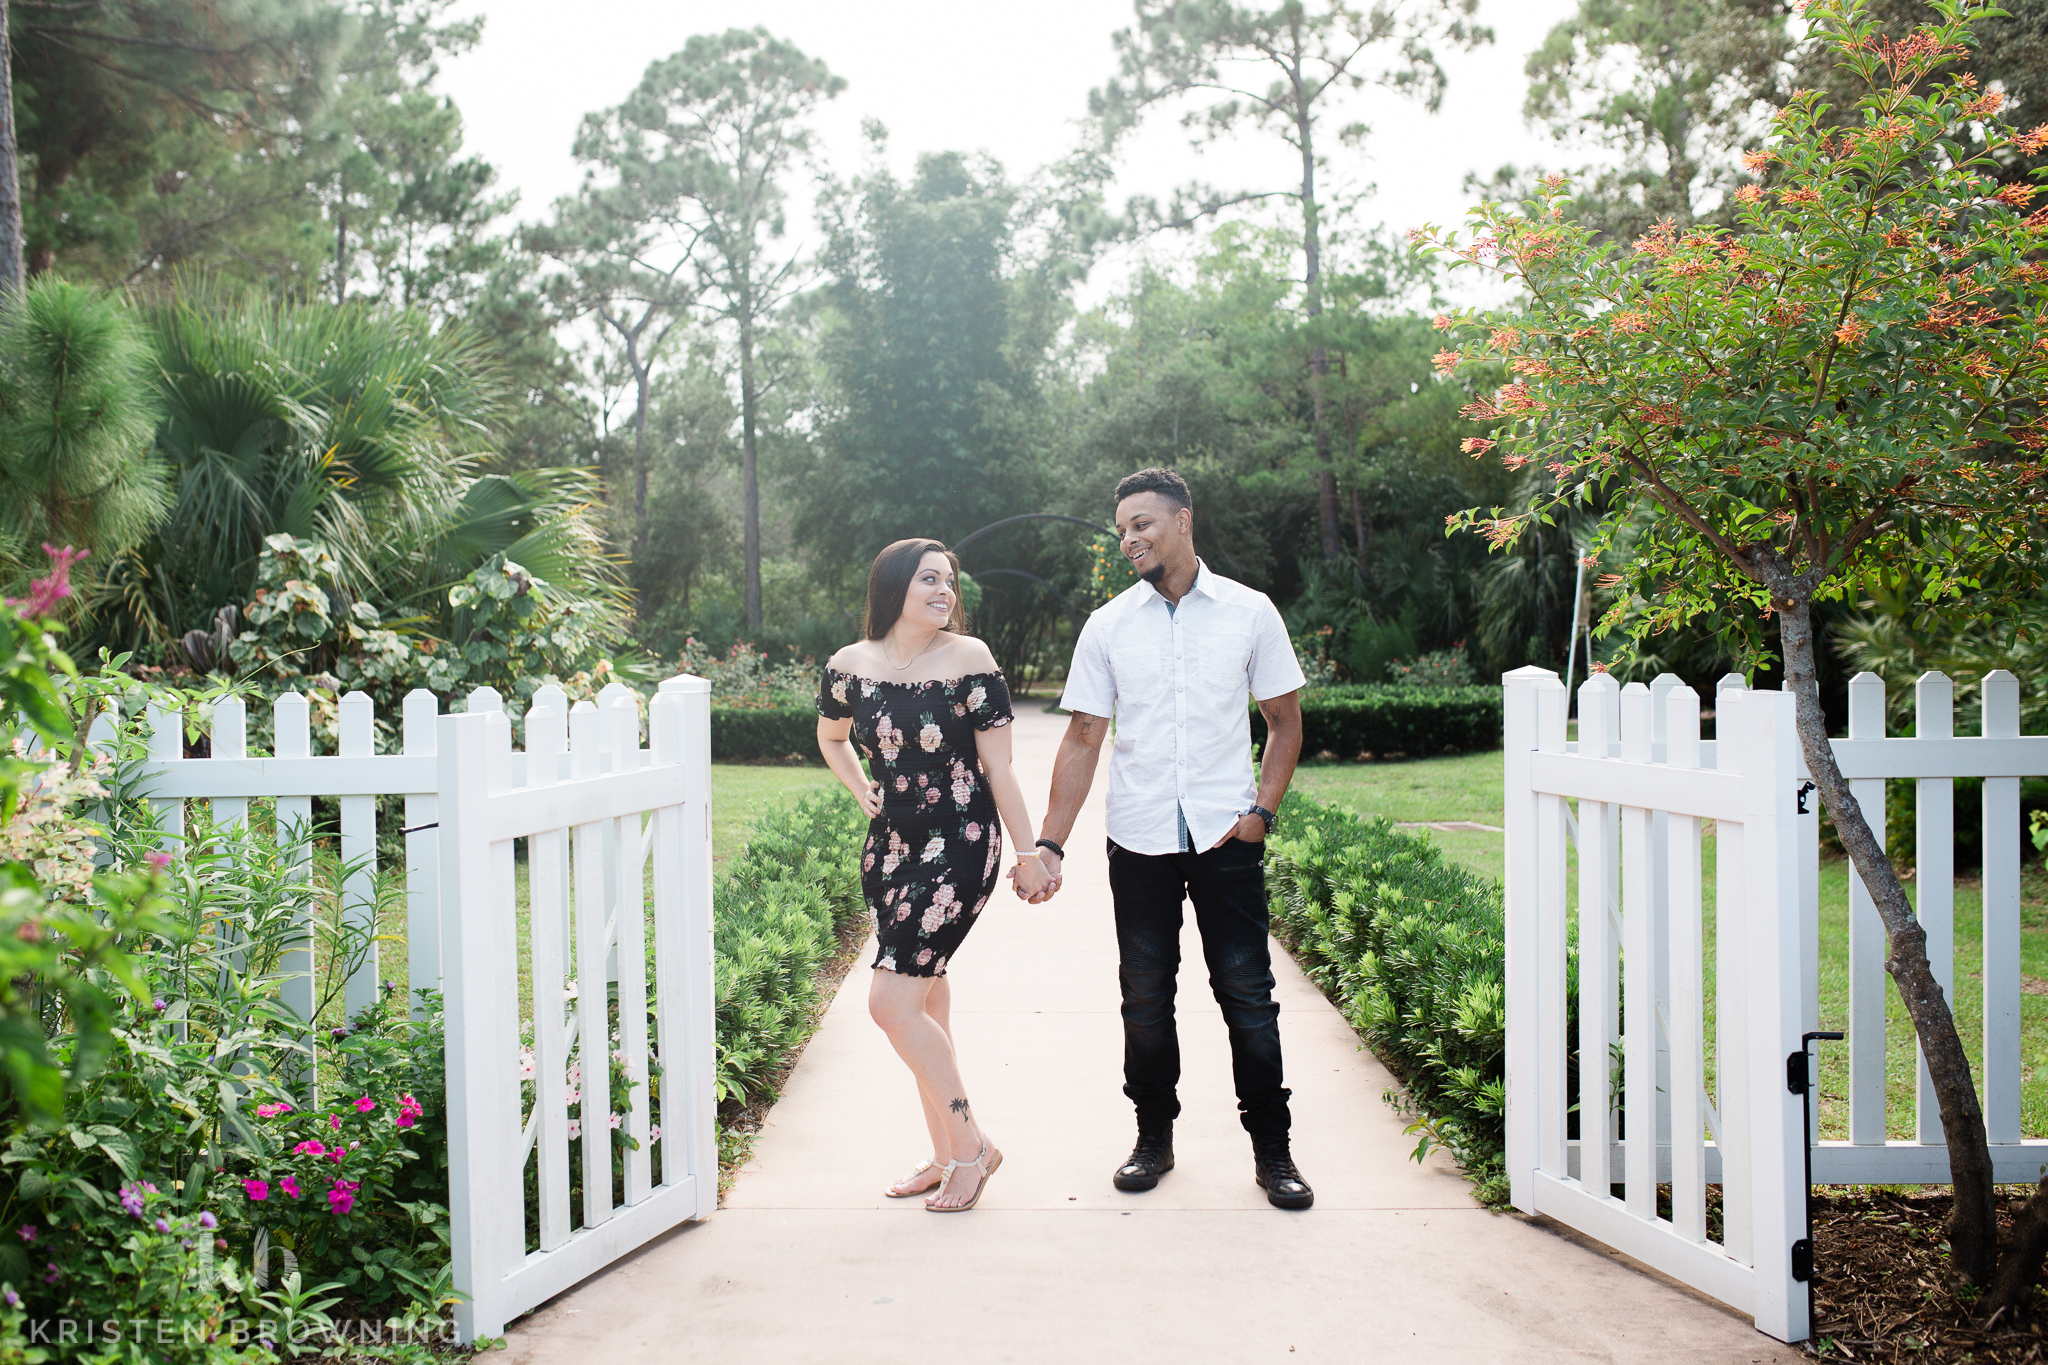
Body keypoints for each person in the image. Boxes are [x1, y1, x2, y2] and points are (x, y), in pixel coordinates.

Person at [1028, 468, 1314, 1210]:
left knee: (1248, 995)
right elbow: (1085, 735)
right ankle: (1153, 1136)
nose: (1130, 538)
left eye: (1143, 523)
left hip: (1227, 838)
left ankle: (1273, 1150)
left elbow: (1284, 721)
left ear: (1184, 520)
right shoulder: (1109, 625)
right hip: (1141, 839)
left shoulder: (1250, 612)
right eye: (1122, 527)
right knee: (1146, 998)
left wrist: (1262, 813)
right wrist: (1050, 843)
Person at [816, 538, 1054, 1212]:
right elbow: (831, 735)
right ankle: (948, 1153)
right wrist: (859, 786)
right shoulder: (850, 665)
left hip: (958, 845)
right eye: (929, 579)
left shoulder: (970, 660)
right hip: (890, 849)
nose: (945, 591)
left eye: (950, 581)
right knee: (926, 1003)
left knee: (890, 1004)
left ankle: (972, 1145)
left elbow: (999, 766)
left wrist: (1028, 851)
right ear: (893, 585)